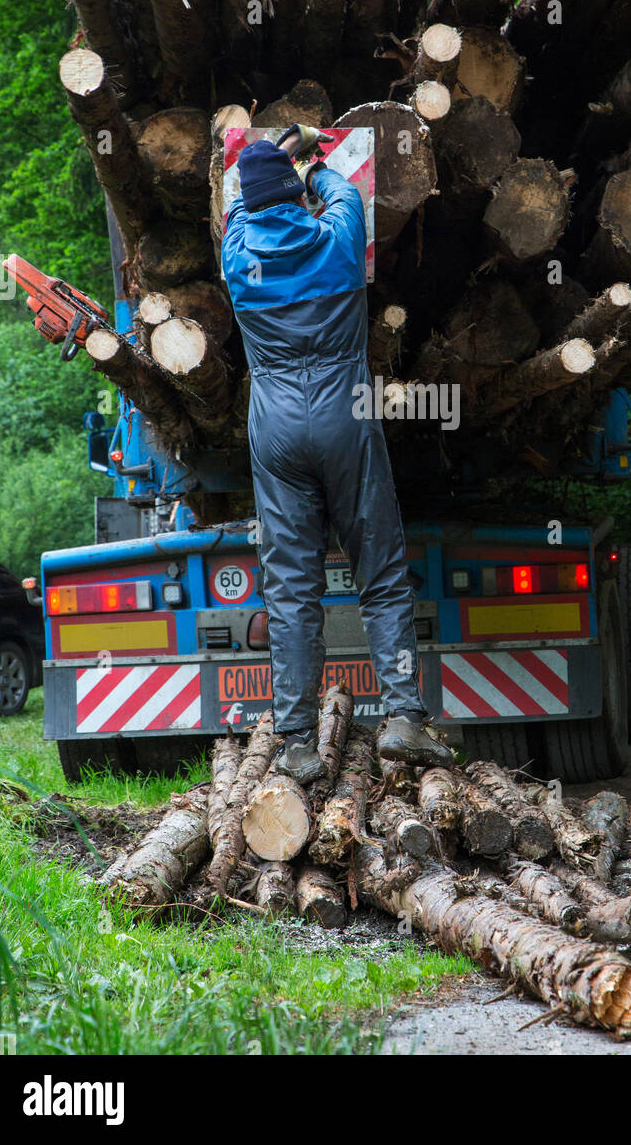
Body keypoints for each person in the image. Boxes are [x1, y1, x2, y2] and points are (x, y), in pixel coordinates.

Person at [221, 125, 453, 783]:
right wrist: (311, 161)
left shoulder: (238, 256)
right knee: (380, 577)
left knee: (293, 590)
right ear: (296, 199)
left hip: (276, 432)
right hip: (344, 421)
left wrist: (262, 160)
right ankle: (403, 717)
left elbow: (242, 203)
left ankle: (295, 742)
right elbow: (342, 190)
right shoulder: (337, 241)